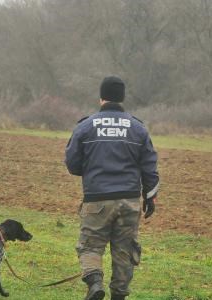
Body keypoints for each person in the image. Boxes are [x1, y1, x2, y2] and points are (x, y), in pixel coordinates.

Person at [65, 76, 160, 300]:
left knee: (90, 246)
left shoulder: (86, 126)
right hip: (129, 201)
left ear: (101, 98)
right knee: (125, 252)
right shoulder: (138, 128)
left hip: (97, 199)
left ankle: (95, 282)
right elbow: (150, 167)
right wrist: (150, 197)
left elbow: (72, 163)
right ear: (122, 98)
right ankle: (119, 295)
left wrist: (89, 171)